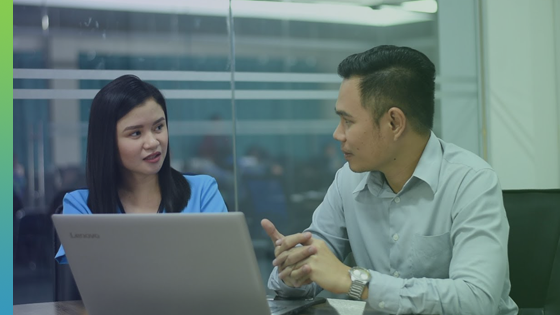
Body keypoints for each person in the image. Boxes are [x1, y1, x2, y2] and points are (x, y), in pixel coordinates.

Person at [261, 45, 518, 314]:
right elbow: (309, 267)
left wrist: (353, 281)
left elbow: (476, 301)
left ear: (394, 123)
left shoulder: (471, 181)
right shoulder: (347, 180)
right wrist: (294, 271)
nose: (338, 134)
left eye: (347, 121)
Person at [55, 75, 228, 264]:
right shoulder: (80, 206)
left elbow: (226, 267)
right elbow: (89, 282)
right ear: (107, 142)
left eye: (159, 127)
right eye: (136, 133)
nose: (153, 142)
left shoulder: (202, 191)